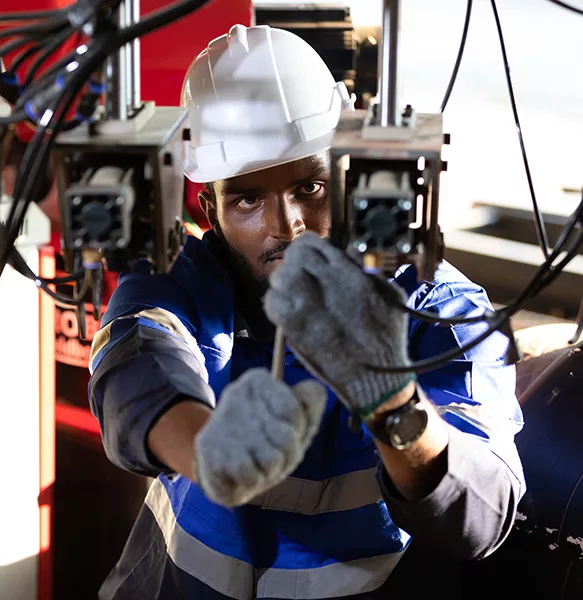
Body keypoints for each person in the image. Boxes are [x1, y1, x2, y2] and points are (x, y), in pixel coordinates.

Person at [88, 24, 525, 600]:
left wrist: (393, 404)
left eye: (311, 187)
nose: (286, 225)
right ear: (209, 208)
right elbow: (134, 368)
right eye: (247, 198)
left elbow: (484, 516)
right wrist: (208, 449)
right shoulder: (181, 286)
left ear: (350, 173)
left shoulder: (439, 311)